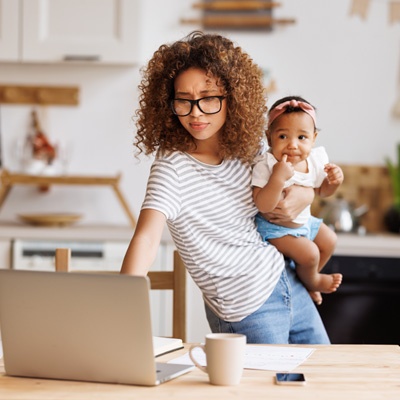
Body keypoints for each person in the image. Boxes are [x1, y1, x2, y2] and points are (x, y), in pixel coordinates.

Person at [121, 31, 330, 344]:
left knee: (323, 386)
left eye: (208, 98)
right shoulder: (172, 168)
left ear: (231, 97)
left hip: (288, 283)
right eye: (184, 101)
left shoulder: (247, 148)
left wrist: (307, 193)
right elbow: (147, 238)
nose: (195, 113)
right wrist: (121, 305)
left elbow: (298, 180)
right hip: (247, 310)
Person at [252, 96, 343, 304]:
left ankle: (306, 280)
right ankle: (313, 281)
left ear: (314, 137)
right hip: (275, 230)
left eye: (302, 137)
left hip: (305, 222)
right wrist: (277, 178)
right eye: (283, 136)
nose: (292, 145)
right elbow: (262, 204)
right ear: (269, 137)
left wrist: (334, 181)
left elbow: (322, 191)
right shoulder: (266, 165)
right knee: (310, 253)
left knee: (330, 241)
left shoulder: (315, 161)